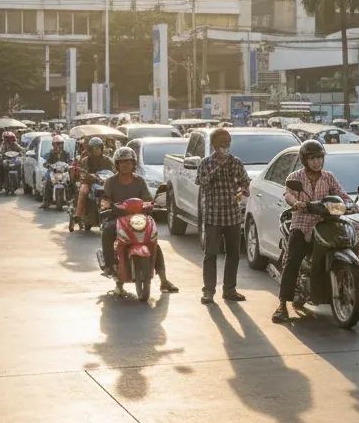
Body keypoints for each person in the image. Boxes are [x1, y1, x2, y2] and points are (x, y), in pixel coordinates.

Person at [272, 140, 355, 323]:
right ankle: (282, 305)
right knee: (293, 260)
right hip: (302, 225)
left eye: (319, 158)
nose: (317, 162)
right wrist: (296, 203)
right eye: (312, 158)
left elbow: (341, 194)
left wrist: (352, 204)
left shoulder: (328, 177)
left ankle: (350, 296)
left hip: (326, 224)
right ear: (304, 160)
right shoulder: (296, 176)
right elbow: (289, 194)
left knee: (351, 242)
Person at [99, 146, 177, 292]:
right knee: (107, 232)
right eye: (122, 162)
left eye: (128, 162)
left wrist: (151, 204)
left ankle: (164, 280)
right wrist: (106, 205)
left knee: (152, 242)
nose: (125, 165)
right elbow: (105, 199)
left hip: (139, 219)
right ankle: (110, 266)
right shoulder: (110, 182)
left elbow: (148, 199)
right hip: (117, 218)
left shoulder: (140, 181)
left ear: (134, 164)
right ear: (117, 164)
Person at [196, 128, 249, 304]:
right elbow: (202, 183)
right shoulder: (206, 163)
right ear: (214, 145)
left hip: (232, 216)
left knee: (233, 254)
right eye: (221, 144)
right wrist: (217, 169)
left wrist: (242, 191)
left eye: (227, 143)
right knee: (210, 254)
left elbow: (245, 183)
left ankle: (230, 290)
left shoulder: (236, 162)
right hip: (213, 216)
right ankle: (208, 291)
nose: (224, 147)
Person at [74, 136, 114, 224]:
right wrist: (89, 175)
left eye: (98, 148)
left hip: (104, 182)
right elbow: (83, 172)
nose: (96, 150)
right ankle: (78, 214)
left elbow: (114, 171)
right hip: (89, 182)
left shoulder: (108, 160)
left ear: (102, 148)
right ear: (90, 149)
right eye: (94, 148)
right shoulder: (85, 160)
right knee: (83, 191)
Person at [40, 134, 69, 208]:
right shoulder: (51, 153)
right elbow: (47, 162)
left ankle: (71, 200)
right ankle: (46, 202)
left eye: (60, 144)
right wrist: (48, 165)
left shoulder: (66, 153)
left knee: (71, 182)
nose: (59, 146)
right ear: (53, 145)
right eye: (57, 144)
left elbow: (69, 161)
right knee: (47, 182)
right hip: (53, 171)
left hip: (63, 172)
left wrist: (71, 165)